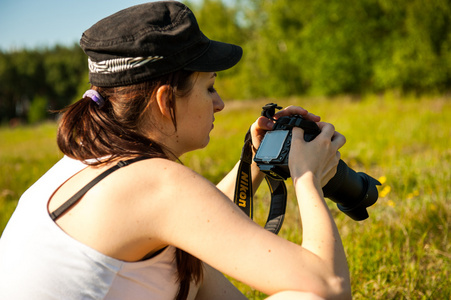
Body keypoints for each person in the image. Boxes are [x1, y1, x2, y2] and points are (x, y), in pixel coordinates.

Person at [0, 1, 351, 299]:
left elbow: (196, 222)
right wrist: (307, 175)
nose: (220, 103)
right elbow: (329, 288)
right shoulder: (155, 182)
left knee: (193, 272)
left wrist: (256, 163)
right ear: (166, 100)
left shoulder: (83, 164)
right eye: (209, 88)